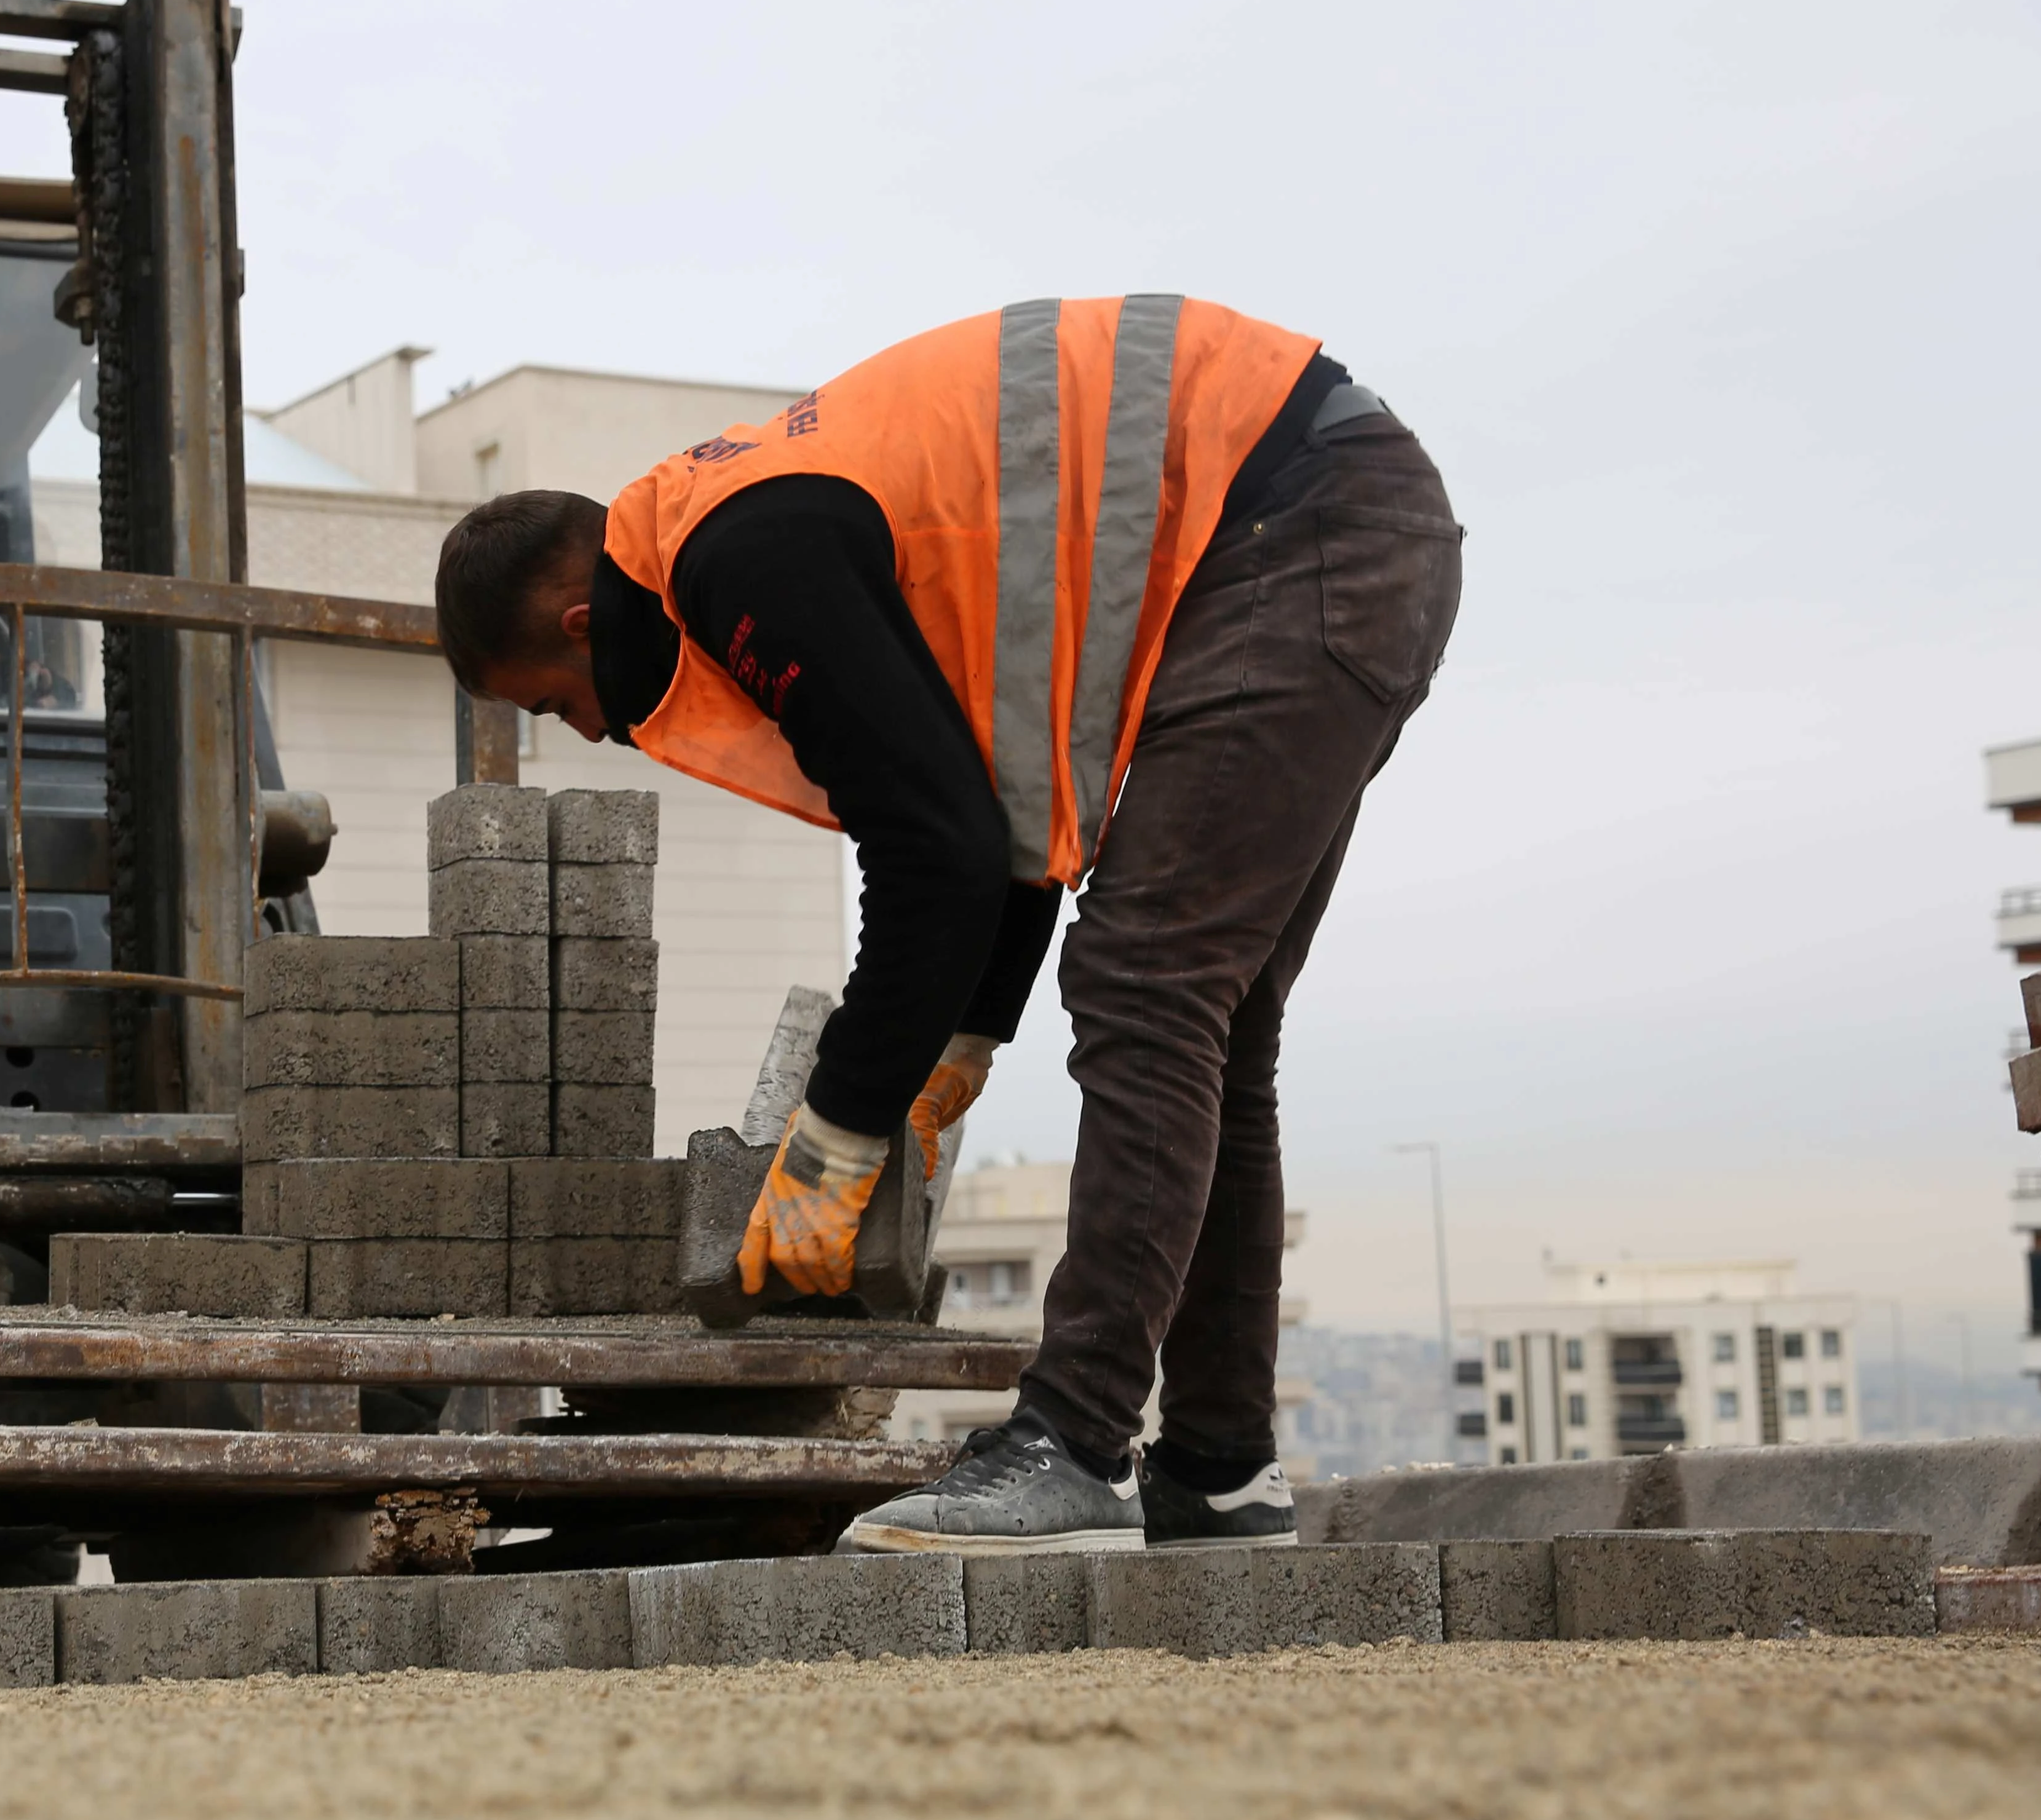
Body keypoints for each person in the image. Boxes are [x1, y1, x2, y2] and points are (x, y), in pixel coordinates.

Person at [437, 297, 1462, 1553]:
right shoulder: (762, 517)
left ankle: (1077, 1440)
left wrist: (840, 1128)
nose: (589, 734)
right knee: (1210, 1018)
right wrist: (963, 1038)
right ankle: (1220, 1465)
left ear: (581, 623)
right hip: (1323, 516)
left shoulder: (737, 558)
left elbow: (936, 855)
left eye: (555, 705)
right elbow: (999, 807)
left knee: (1150, 987)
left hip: (1295, 521)